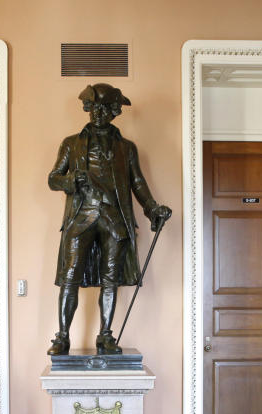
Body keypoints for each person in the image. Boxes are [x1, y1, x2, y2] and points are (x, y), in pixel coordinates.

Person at [47, 83, 171, 355]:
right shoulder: (71, 143)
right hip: (81, 217)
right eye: (96, 107)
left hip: (114, 218)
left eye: (106, 108)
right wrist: (70, 180)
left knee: (110, 279)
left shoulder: (127, 148)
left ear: (115, 111)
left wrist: (152, 209)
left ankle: (105, 336)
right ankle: (62, 337)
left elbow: (137, 182)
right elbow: (53, 178)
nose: (99, 113)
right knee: (70, 277)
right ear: (89, 108)